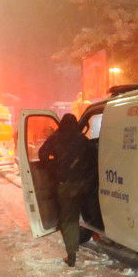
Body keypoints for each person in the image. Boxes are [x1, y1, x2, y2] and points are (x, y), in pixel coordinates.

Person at [38, 113, 96, 267]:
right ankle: (88, 231)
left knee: (69, 219)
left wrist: (53, 165)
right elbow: (92, 159)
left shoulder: (56, 139)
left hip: (65, 185)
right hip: (82, 185)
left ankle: (71, 254)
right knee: (80, 213)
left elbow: (42, 155)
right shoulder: (82, 140)